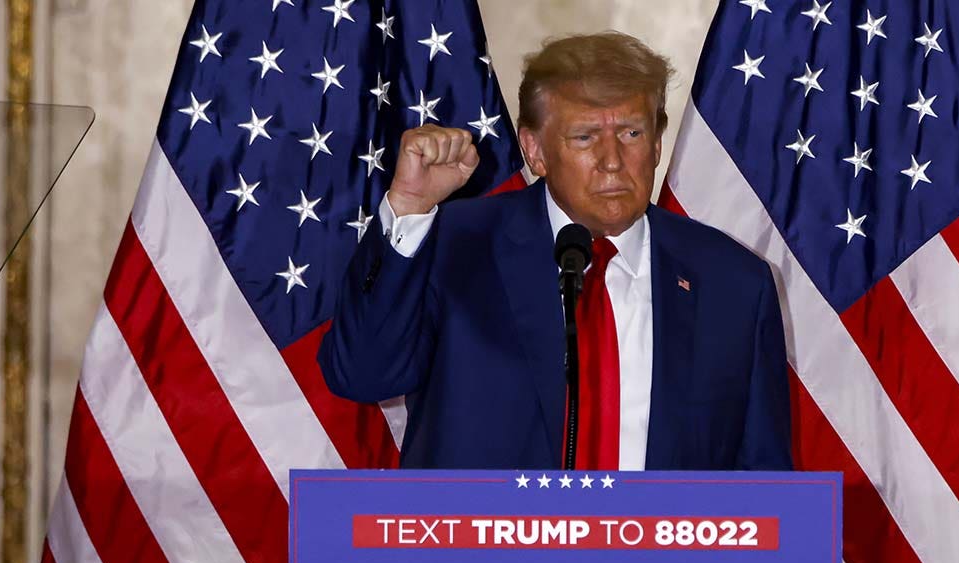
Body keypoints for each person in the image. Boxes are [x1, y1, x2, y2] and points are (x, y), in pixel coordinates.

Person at [318, 32, 792, 471]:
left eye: (631, 133)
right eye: (585, 137)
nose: (612, 161)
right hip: (480, 558)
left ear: (656, 143)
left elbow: (763, 488)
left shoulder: (733, 283)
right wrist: (409, 206)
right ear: (535, 150)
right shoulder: (454, 247)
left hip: (662, 561)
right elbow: (362, 375)